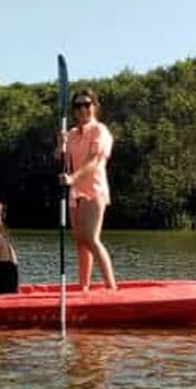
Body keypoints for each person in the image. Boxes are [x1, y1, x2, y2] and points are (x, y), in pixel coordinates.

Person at [56, 88, 118, 291]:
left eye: (86, 105)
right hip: (76, 193)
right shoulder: (71, 134)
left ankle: (111, 288)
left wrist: (72, 177)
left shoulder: (100, 130)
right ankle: (84, 287)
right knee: (80, 242)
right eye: (78, 106)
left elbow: (94, 160)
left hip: (94, 190)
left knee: (91, 238)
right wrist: (60, 146)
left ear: (94, 107)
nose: (82, 109)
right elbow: (62, 159)